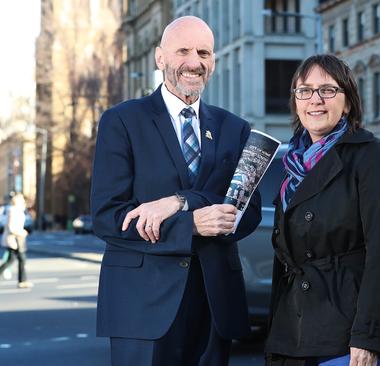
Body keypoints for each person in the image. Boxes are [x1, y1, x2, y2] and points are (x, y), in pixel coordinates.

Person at [90, 16, 261, 366]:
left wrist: (179, 202)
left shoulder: (236, 129)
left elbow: (249, 209)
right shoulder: (121, 121)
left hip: (215, 308)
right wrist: (191, 224)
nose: (194, 62)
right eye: (183, 50)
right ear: (160, 58)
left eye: (204, 52)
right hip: (142, 310)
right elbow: (107, 217)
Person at [265, 55, 380, 366]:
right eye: (304, 91)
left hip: (349, 332)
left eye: (328, 90)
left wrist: (369, 338)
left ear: (347, 103)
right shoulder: (292, 165)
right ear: (295, 102)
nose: (315, 100)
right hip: (294, 329)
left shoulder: (372, 156)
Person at [0, 194, 31, 288]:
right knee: (19, 259)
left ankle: (22, 280)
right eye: (21, 200)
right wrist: (22, 232)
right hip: (13, 239)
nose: (23, 201)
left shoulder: (17, 211)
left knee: (14, 259)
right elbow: (11, 227)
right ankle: (22, 281)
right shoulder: (13, 211)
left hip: (16, 239)